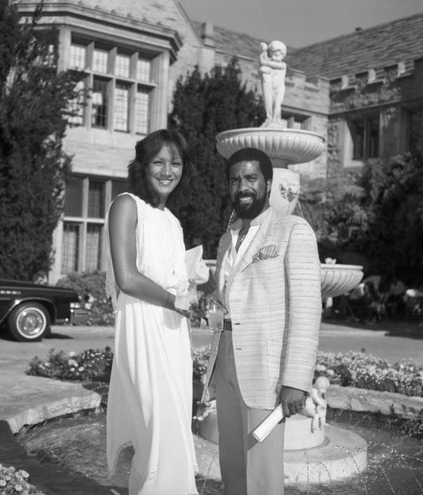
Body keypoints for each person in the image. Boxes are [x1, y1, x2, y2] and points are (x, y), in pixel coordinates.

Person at [201, 147, 322, 495]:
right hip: (226, 362)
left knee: (263, 473)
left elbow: (306, 310)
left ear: (268, 183)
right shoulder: (227, 239)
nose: (243, 186)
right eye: (235, 179)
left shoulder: (292, 230)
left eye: (251, 178)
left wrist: (296, 380)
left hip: (266, 372)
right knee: (233, 466)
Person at [104, 129, 199, 495]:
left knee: (169, 428)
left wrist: (190, 288)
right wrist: (173, 298)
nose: (167, 171)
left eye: (175, 163)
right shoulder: (127, 205)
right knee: (161, 428)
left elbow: (169, 280)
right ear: (142, 166)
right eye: (158, 161)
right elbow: (127, 277)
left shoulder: (173, 221)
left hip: (173, 332)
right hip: (141, 326)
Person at [259, 40, 287, 128]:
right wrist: (264, 53)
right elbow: (262, 65)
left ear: (283, 55)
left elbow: (264, 62)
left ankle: (275, 120)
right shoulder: (269, 65)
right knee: (268, 102)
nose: (274, 58)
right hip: (269, 88)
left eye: (276, 55)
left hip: (279, 89)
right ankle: (269, 119)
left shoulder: (283, 65)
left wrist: (265, 55)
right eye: (272, 55)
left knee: (277, 105)